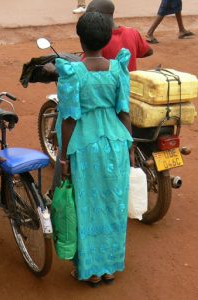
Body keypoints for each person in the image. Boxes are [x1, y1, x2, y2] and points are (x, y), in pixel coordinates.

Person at [55, 11, 133, 285]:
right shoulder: (118, 69)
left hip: (84, 147)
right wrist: (130, 146)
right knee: (113, 204)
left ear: (81, 39)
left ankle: (88, 269)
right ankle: (109, 267)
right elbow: (124, 112)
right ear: (107, 38)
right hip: (115, 142)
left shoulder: (73, 72)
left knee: (86, 206)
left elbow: (69, 117)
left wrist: (63, 158)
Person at [86, 0, 153, 71]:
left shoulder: (98, 37)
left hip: (108, 81)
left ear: (97, 16)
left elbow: (87, 66)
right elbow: (148, 52)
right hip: (130, 80)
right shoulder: (132, 32)